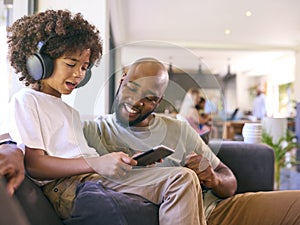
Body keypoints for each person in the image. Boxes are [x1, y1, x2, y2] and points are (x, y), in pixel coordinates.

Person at [6, 10, 205, 225]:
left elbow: (82, 158)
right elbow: (35, 165)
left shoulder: (68, 111)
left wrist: (131, 162)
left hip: (92, 179)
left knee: (183, 177)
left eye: (84, 67)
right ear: (40, 62)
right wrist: (95, 163)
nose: (79, 74)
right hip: (67, 186)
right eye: (71, 64)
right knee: (180, 180)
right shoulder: (26, 100)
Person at [82, 58, 300, 225]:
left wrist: (213, 178)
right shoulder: (94, 130)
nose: (136, 101)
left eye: (148, 98)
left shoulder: (179, 128)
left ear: (158, 101)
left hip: (215, 212)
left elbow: (230, 182)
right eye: (132, 87)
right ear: (122, 82)